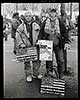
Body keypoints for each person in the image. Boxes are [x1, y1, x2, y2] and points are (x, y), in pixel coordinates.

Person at [38, 8, 71, 79]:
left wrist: (66, 42)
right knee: (49, 60)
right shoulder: (45, 21)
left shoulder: (60, 21)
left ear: (56, 13)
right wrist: (39, 40)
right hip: (48, 44)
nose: (52, 14)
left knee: (61, 60)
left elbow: (65, 33)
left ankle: (61, 74)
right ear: (49, 13)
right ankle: (50, 73)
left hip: (58, 44)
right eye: (51, 12)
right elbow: (41, 32)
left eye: (54, 12)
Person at [15, 11, 41, 82]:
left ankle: (36, 73)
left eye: (30, 16)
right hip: (26, 46)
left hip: (35, 46)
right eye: (27, 16)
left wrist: (39, 41)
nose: (28, 17)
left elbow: (40, 34)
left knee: (36, 61)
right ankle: (28, 75)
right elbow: (17, 36)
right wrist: (21, 44)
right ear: (24, 17)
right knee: (27, 62)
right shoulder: (21, 26)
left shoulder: (36, 25)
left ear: (31, 17)